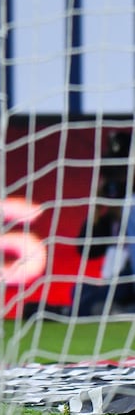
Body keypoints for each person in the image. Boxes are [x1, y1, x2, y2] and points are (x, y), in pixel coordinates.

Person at [72, 131, 135, 316]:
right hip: (119, 279)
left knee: (93, 300)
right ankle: (117, 310)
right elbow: (88, 251)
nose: (117, 181)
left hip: (129, 278)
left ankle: (70, 312)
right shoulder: (113, 210)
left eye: (121, 173)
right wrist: (97, 211)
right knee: (79, 290)